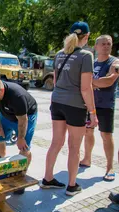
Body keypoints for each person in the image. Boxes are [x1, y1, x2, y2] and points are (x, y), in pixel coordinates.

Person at [41, 22, 98, 196]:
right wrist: (93, 113)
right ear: (86, 37)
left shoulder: (59, 54)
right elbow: (86, 88)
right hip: (75, 105)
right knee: (74, 146)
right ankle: (72, 185)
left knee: (56, 142)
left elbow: (56, 82)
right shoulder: (86, 55)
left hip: (57, 102)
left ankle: (47, 178)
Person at [0, 77, 37, 194]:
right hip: (6, 114)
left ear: (1, 91)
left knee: (24, 147)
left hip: (25, 117)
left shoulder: (17, 97)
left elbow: (23, 120)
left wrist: (21, 138)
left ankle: (20, 177)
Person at [80, 35, 119, 182]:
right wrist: (95, 83)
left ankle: (110, 167)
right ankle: (87, 159)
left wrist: (90, 83)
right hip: (91, 104)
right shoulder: (92, 63)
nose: (106, 46)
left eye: (108, 43)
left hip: (106, 105)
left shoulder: (114, 62)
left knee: (106, 135)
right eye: (102, 44)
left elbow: (108, 81)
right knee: (88, 132)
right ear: (95, 46)